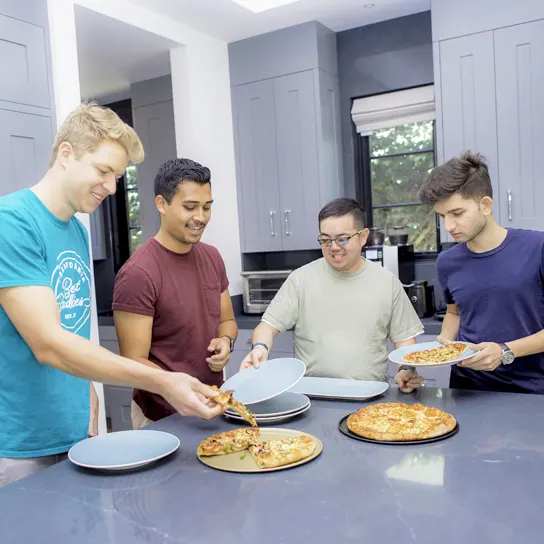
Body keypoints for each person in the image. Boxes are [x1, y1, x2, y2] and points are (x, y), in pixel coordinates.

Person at [0, 104, 224, 488]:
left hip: (74, 428)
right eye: (103, 171)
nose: (111, 186)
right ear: (66, 154)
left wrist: (84, 385)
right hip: (19, 441)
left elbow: (68, 327)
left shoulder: (75, 231)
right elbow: (48, 344)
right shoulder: (12, 221)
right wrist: (165, 381)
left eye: (117, 176)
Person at [241, 197, 424, 391]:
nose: (334, 247)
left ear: (363, 236)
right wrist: (260, 348)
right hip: (312, 396)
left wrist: (406, 368)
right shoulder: (300, 280)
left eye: (342, 239)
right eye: (325, 240)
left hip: (370, 396)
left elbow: (404, 339)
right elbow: (267, 327)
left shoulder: (387, 282)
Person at [113, 158, 238, 429]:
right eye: (190, 207)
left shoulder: (213, 257)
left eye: (207, 207)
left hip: (213, 408)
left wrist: (226, 342)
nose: (201, 217)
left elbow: (227, 322)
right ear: (162, 204)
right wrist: (180, 388)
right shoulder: (138, 273)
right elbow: (134, 362)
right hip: (159, 418)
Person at [418, 151, 544, 394]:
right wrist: (445, 341)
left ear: (485, 205)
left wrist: (505, 350)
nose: (448, 226)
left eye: (457, 213)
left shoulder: (537, 248)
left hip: (530, 392)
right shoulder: (447, 261)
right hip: (466, 388)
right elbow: (454, 313)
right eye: (442, 216)